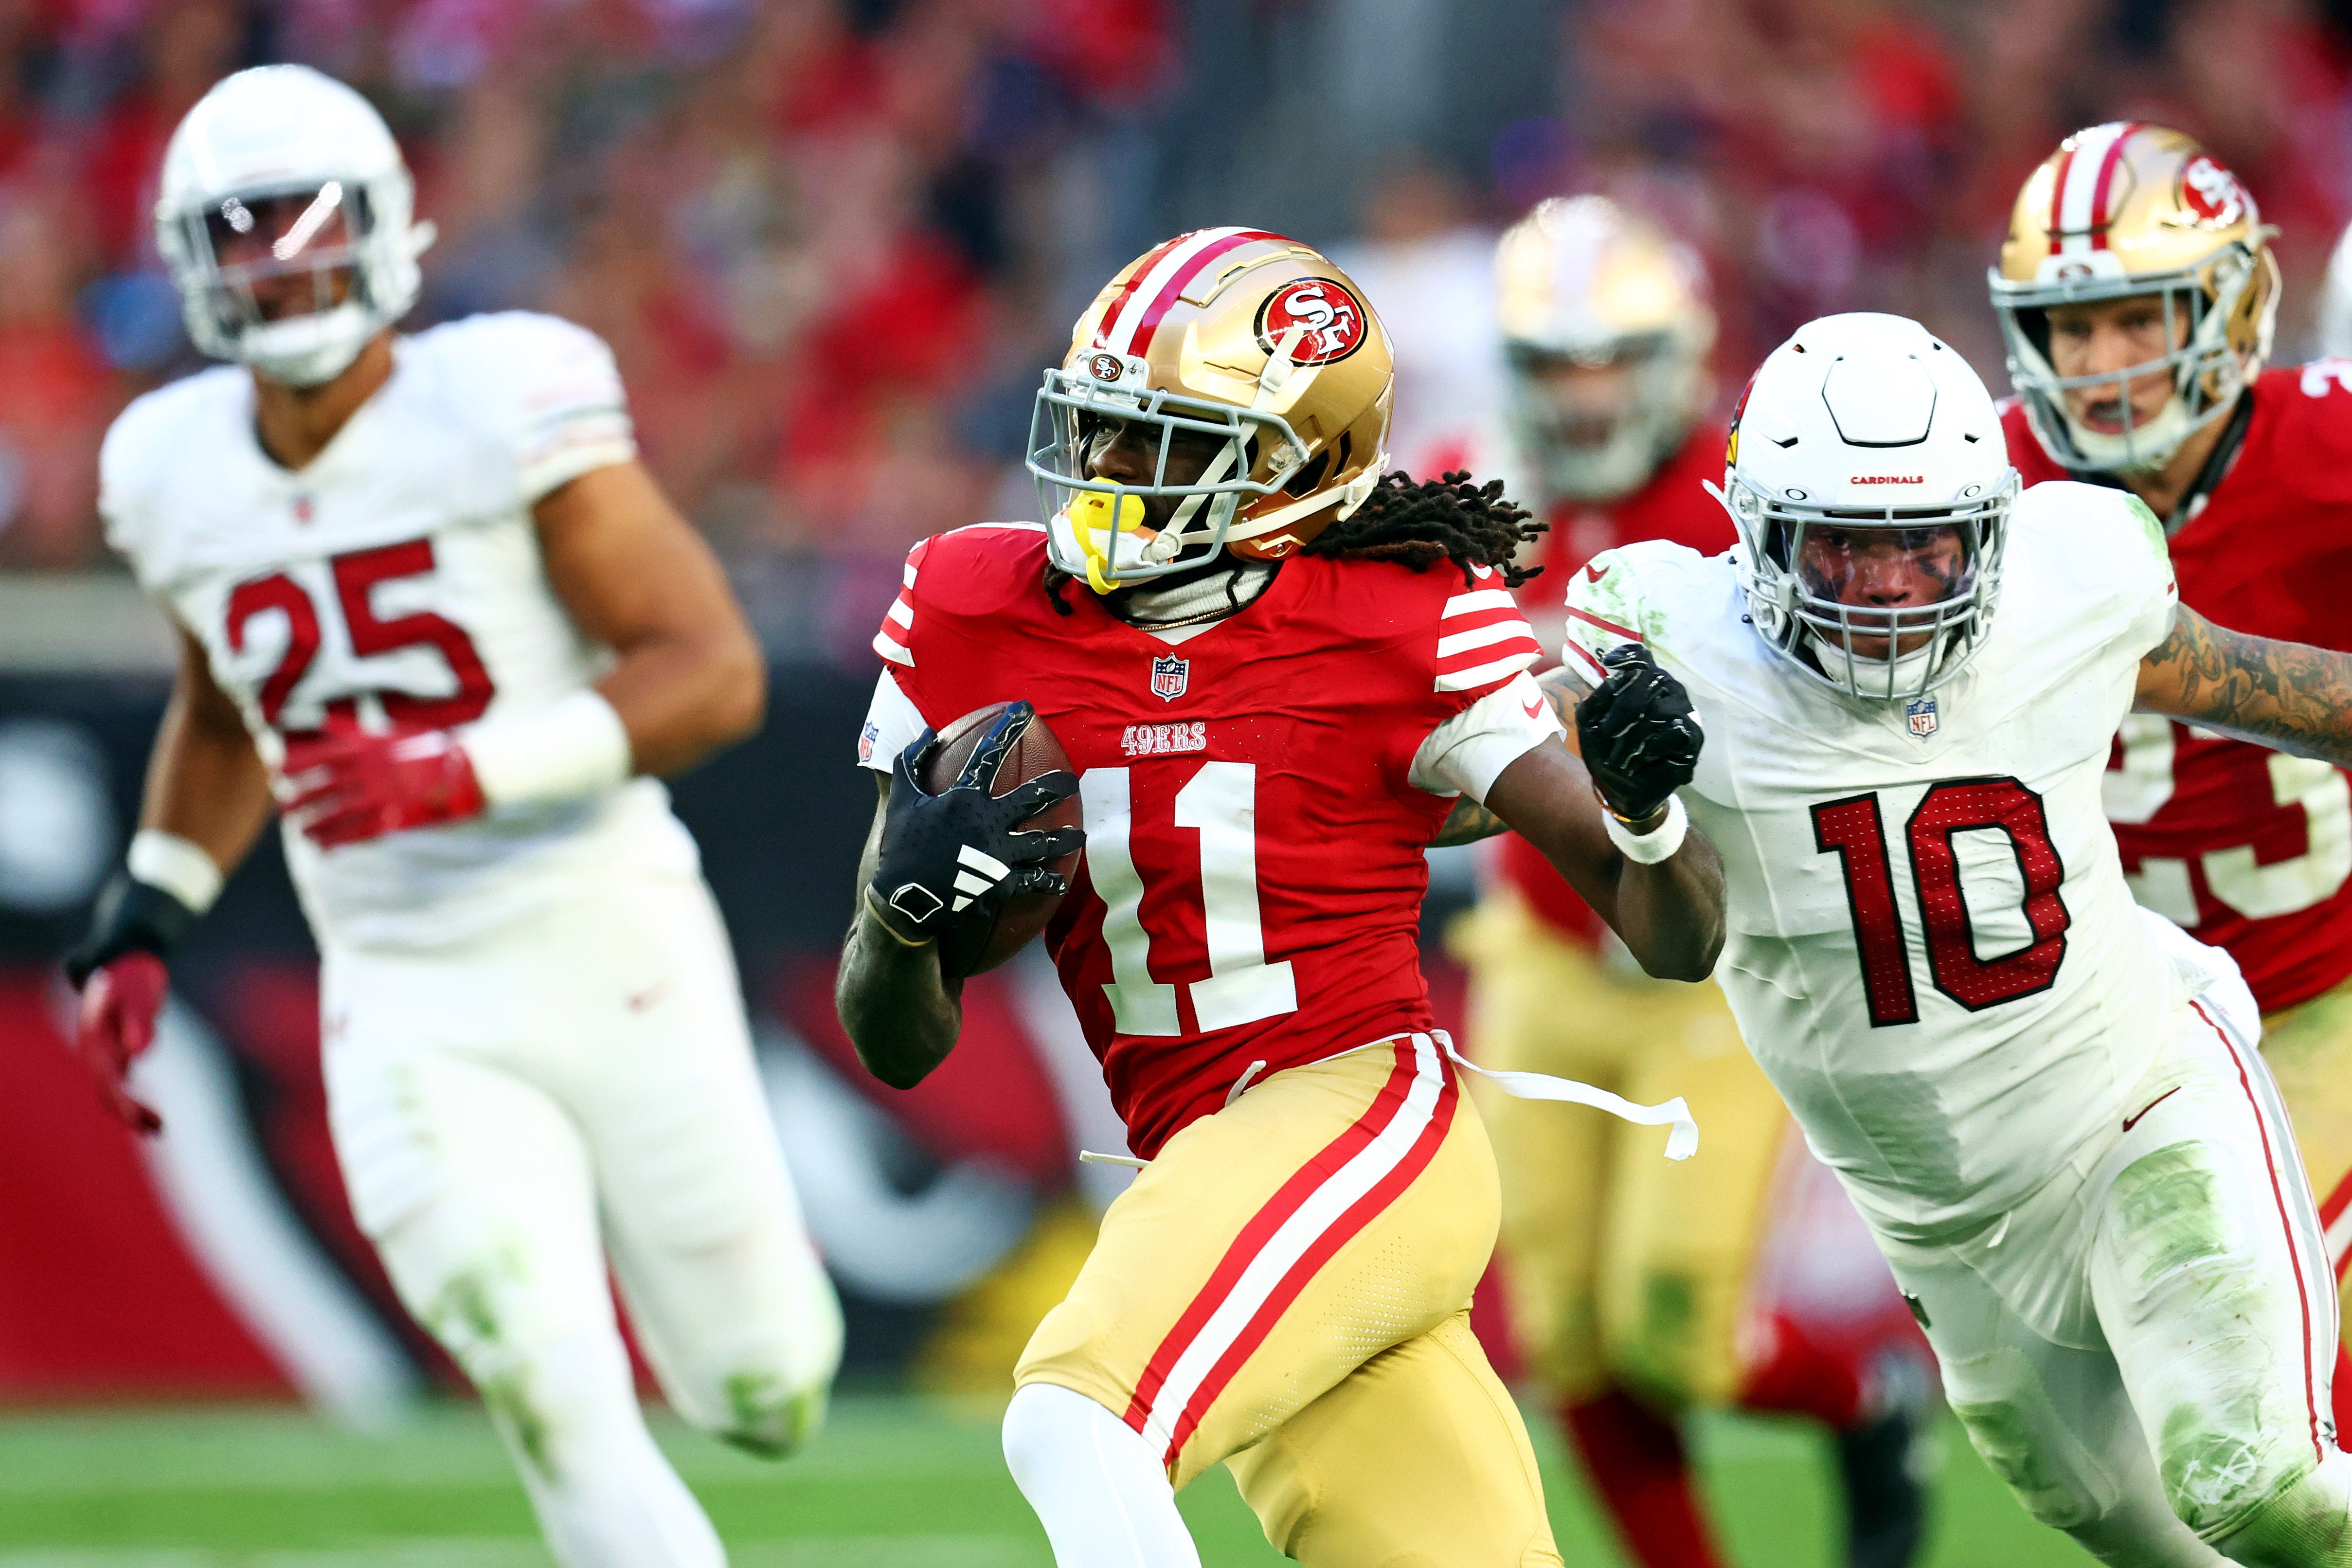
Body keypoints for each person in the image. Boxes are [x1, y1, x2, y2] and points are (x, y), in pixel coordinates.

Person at [834, 228, 1727, 1568]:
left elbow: (1674, 936)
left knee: (1079, 1418)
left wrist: (1647, 809)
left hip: (1360, 1116)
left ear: (1291, 468)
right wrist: (901, 921)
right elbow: (895, 1041)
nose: (1110, 475)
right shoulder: (976, 605)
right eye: (1099, 429)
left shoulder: (1393, 611)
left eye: (1166, 444)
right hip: (1203, 1166)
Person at [65, 66, 841, 1568]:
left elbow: (714, 671)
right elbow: (230, 711)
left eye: (301, 222)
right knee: (541, 1369)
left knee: (765, 1389)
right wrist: (147, 912)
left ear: (383, 227)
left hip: (609, 939)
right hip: (404, 984)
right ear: (186, 257)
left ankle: (751, 1348)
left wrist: (457, 771)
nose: (278, 260)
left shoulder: (499, 400)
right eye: (240, 232)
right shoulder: (169, 466)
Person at [1454, 307, 2352, 1566]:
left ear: (1985, 525)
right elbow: (1545, 843)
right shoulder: (1675, 642)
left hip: (2139, 1107)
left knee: (2262, 1494)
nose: (1884, 586)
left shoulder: (2070, 578)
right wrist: (1633, 807)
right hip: (1944, 1226)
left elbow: (2258, 686)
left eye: (1924, 547)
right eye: (1841, 547)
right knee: (2181, 1552)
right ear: (1758, 533)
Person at [1448, 194, 1936, 1568]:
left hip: (1710, 963)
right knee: (1565, 1342)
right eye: (1554, 364)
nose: (1585, 391)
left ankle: (1864, 1399)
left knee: (1676, 1332)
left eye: (1610, 357)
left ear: (1676, 354)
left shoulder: (1751, 506)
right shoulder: (1456, 491)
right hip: (1540, 951)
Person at [1990, 122, 2352, 1438]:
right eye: (2068, 328)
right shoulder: (1971, 488)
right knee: (2112, 1443)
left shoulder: (2329, 463)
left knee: (2289, 1401)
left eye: (2136, 319)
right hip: (2107, 1028)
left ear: (2230, 303)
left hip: (2321, 988)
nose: (2099, 366)